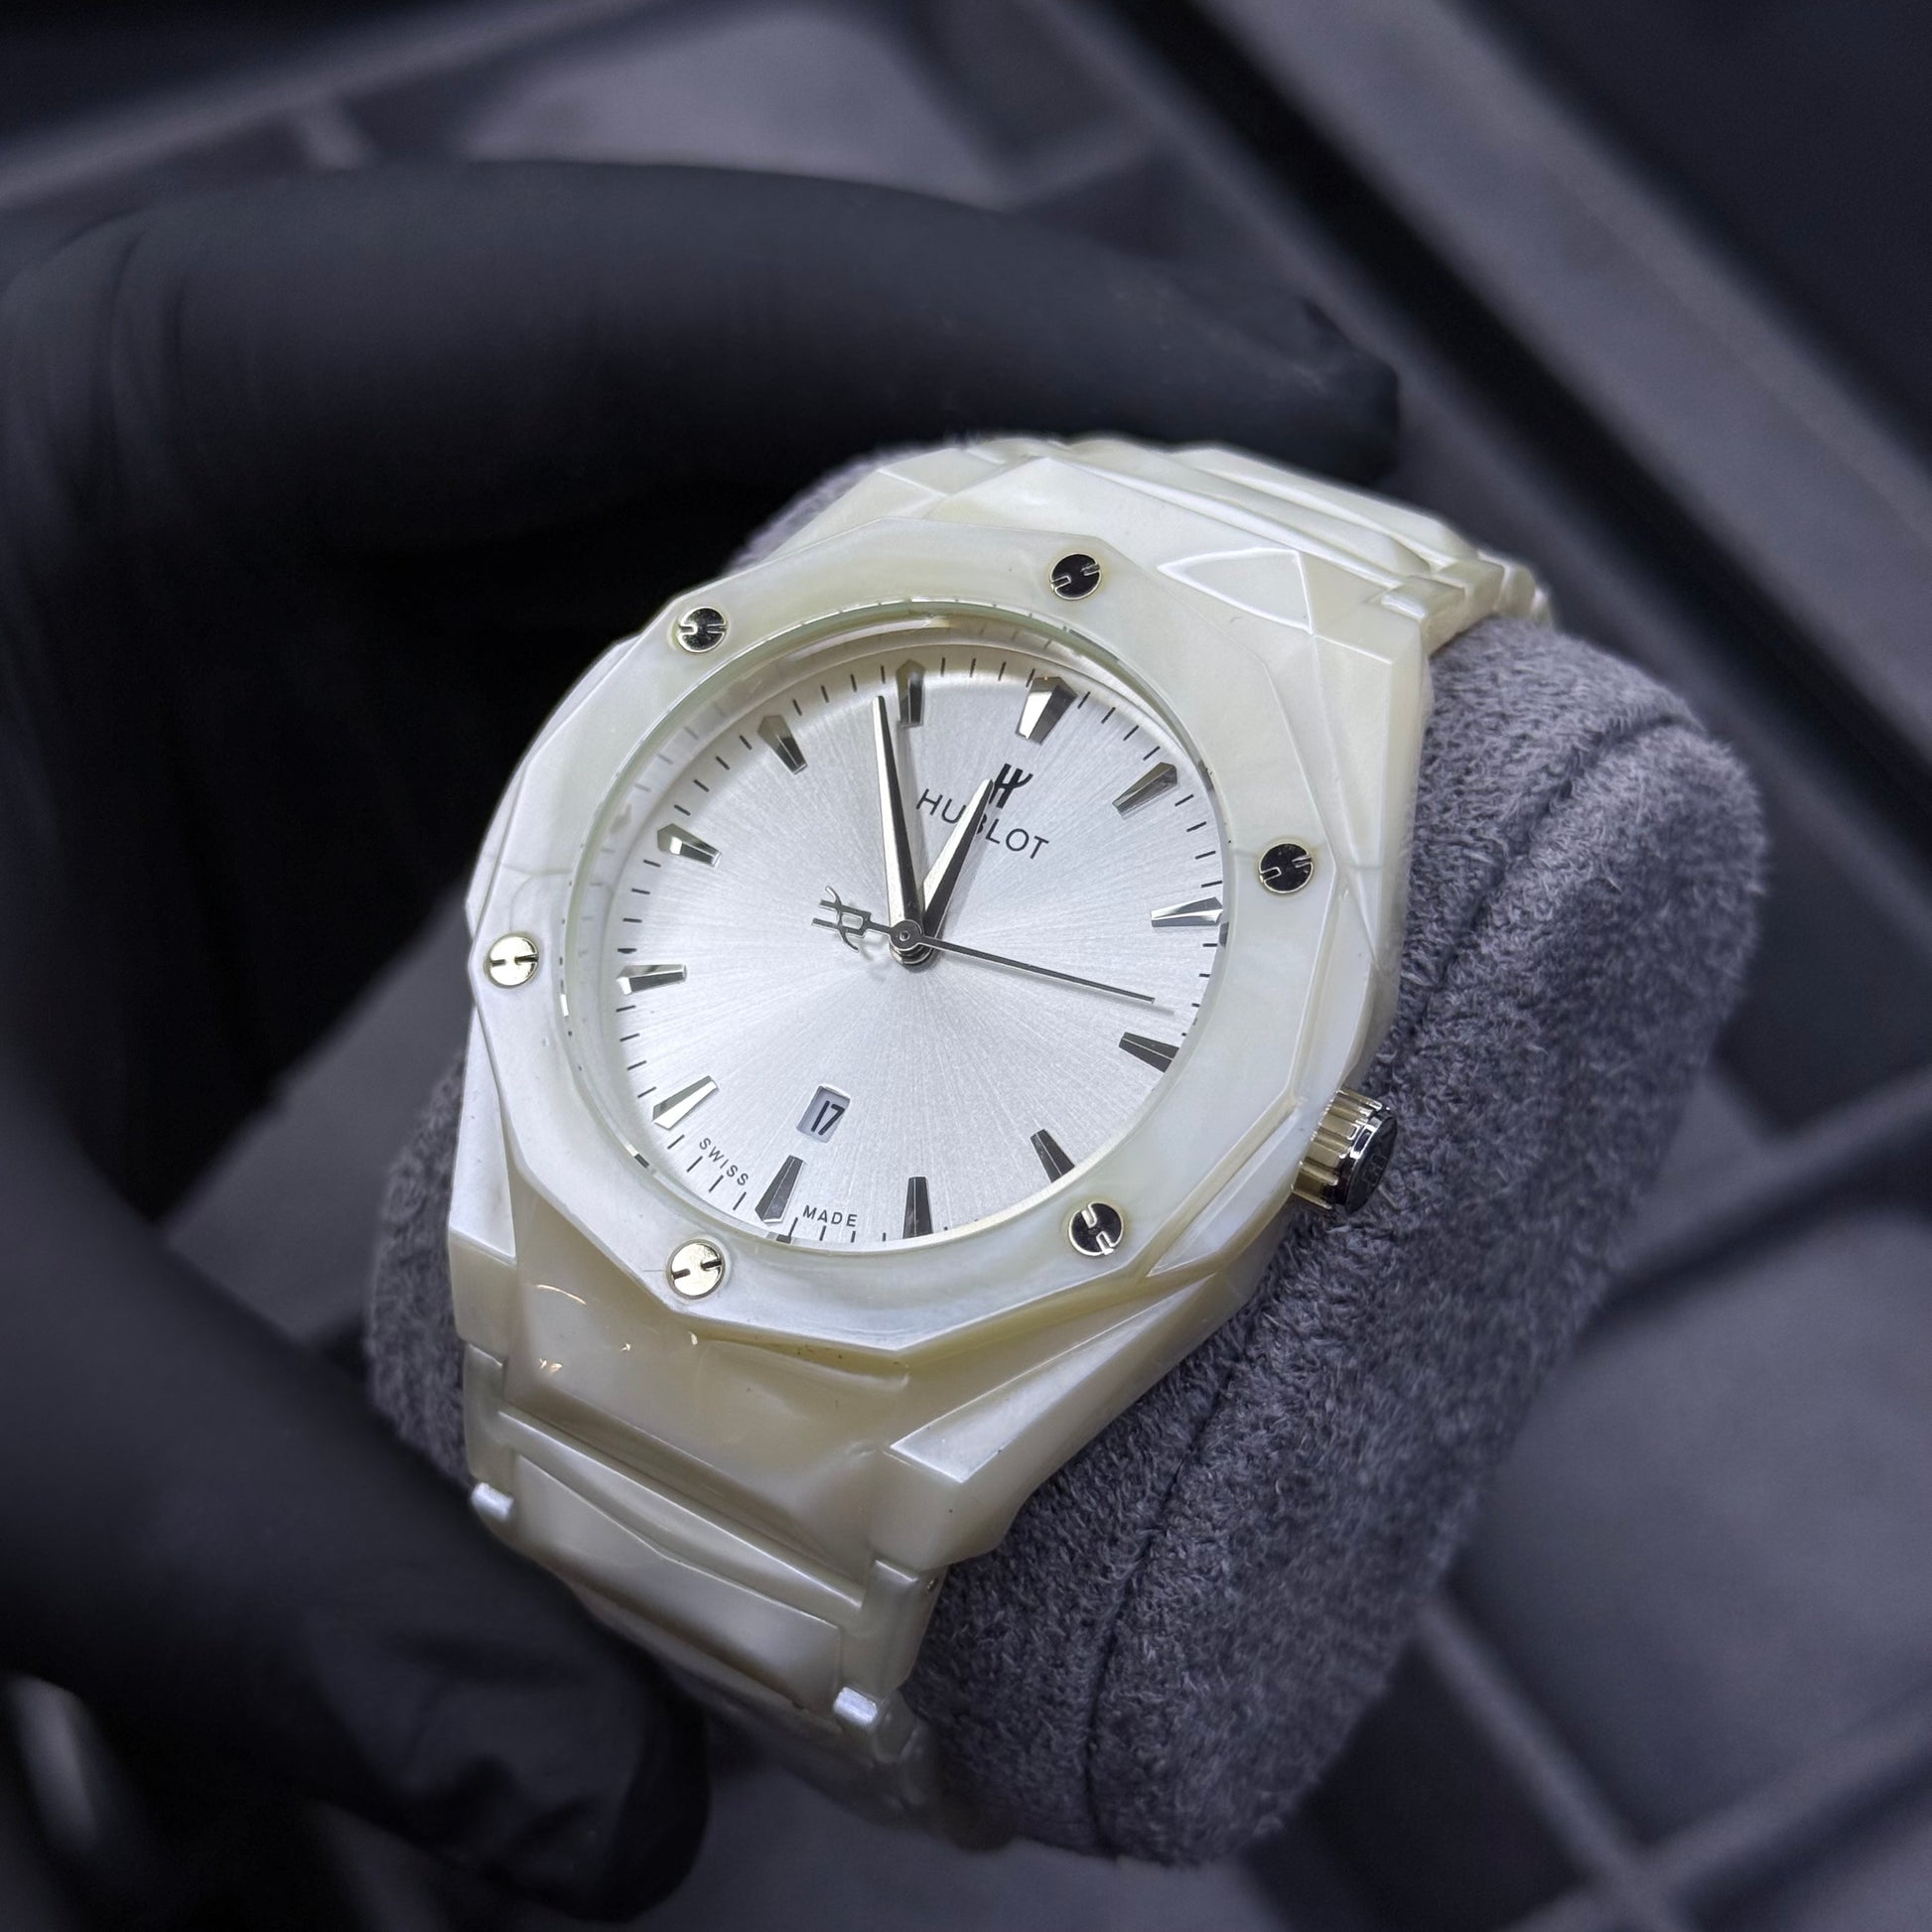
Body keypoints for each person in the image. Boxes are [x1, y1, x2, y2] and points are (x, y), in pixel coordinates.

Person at [0, 162, 1393, 1916]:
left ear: (1333, 1141)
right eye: (907, 928)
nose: (909, 941)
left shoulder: (1335, 818)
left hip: (945, 1281)